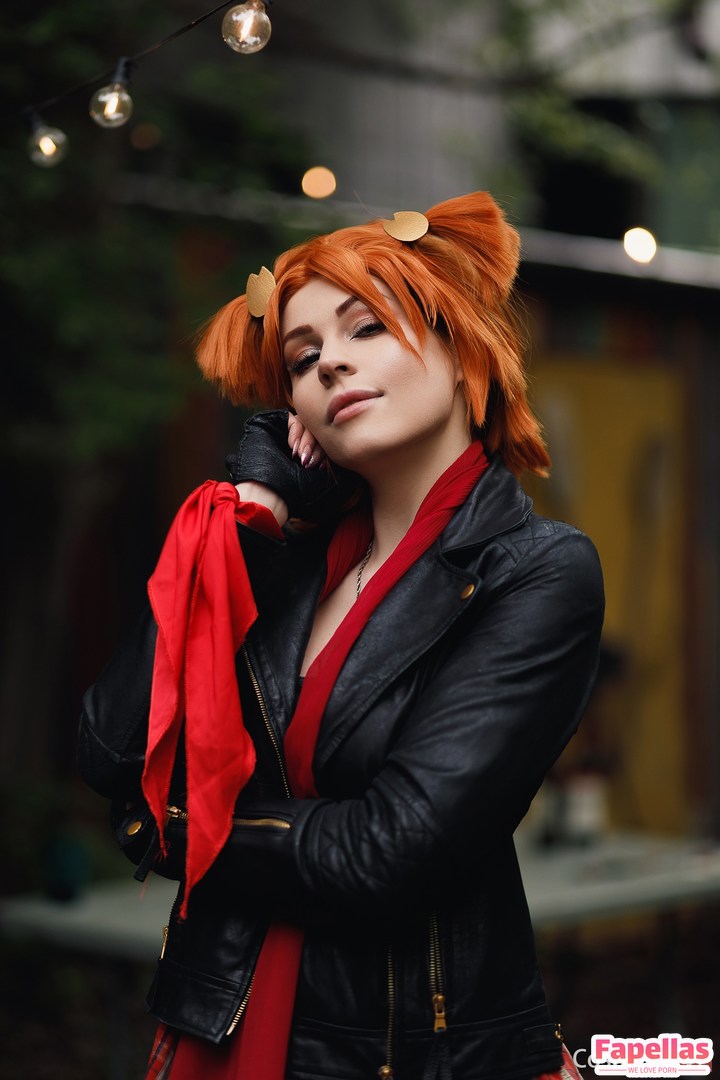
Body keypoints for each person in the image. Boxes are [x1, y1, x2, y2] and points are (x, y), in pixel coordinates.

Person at [78, 191, 604, 1080]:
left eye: (366, 328)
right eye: (304, 355)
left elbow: (389, 851)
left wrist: (185, 828)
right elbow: (114, 754)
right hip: (219, 1013)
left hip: (402, 1050)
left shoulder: (536, 571)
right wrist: (253, 527)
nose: (331, 364)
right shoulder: (283, 559)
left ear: (459, 344)